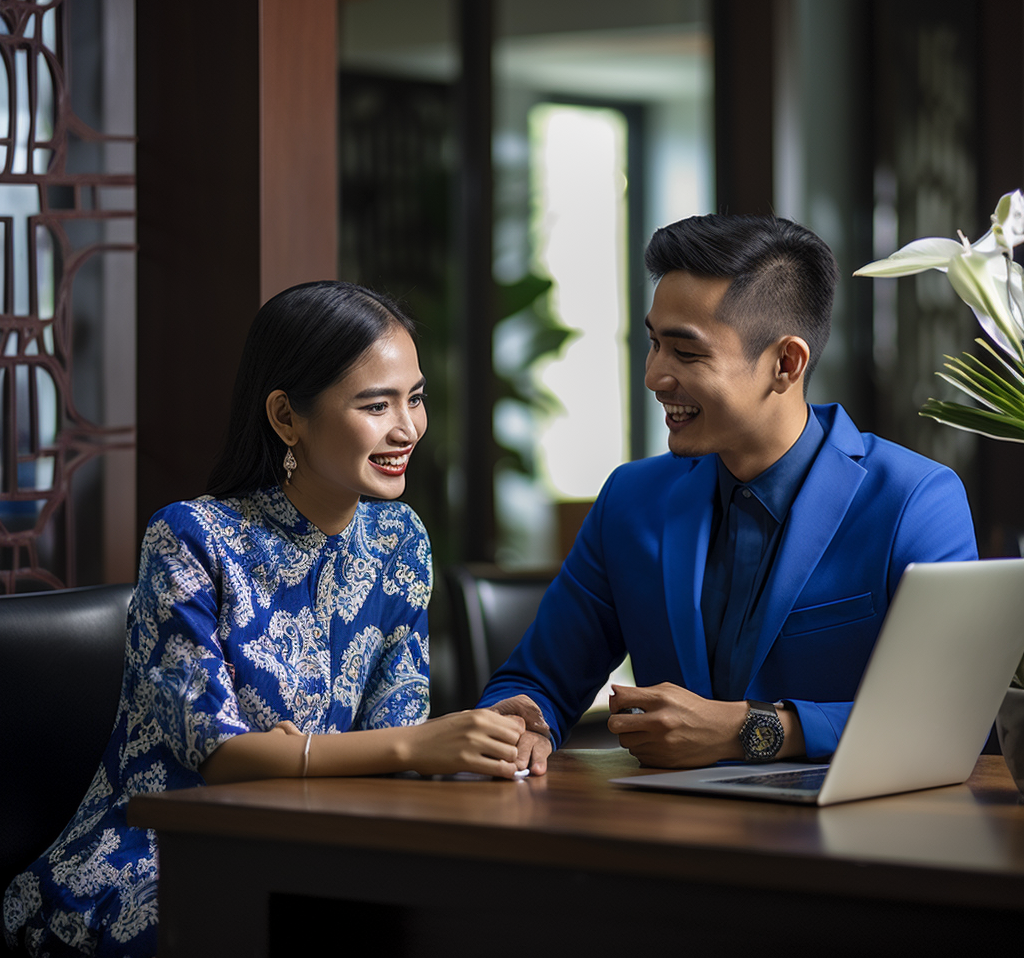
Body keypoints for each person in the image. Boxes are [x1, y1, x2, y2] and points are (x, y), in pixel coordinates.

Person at [3, 281, 526, 958]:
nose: (407, 429)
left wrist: (307, 756)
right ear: (287, 418)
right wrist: (408, 746)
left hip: (318, 838)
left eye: (415, 397)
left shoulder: (400, 539)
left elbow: (391, 734)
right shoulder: (190, 538)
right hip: (155, 857)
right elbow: (219, 758)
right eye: (376, 405)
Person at [480, 213, 978, 775]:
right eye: (653, 344)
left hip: (847, 842)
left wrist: (754, 730)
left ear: (785, 364)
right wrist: (523, 726)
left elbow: (952, 716)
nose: (654, 376)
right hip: (664, 839)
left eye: (686, 354)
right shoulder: (630, 499)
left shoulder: (915, 499)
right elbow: (537, 680)